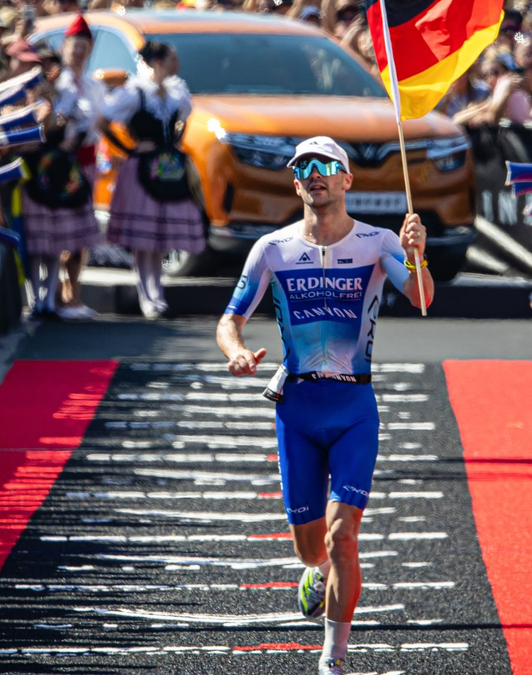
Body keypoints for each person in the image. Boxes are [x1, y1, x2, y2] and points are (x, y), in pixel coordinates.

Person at [216, 136, 432, 675]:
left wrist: (416, 256)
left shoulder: (379, 241)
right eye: (303, 168)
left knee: (344, 536)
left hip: (354, 405)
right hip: (297, 409)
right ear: (295, 184)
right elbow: (230, 319)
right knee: (312, 547)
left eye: (326, 166)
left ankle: (333, 659)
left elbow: (423, 298)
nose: (315, 174)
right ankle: (312, 573)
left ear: (346, 180)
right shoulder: (273, 247)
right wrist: (237, 352)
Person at [100, 41, 202, 319]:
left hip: (166, 166)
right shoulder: (135, 92)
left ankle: (156, 291)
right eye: (172, 59)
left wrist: (175, 141)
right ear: (157, 62)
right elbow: (103, 119)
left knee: (160, 233)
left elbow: (182, 120)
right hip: (142, 167)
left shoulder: (176, 91)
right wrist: (128, 149)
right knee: (144, 236)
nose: (177, 65)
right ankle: (147, 293)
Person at [20, 14, 104, 320]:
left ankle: (68, 297)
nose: (78, 52)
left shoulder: (89, 86)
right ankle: (46, 298)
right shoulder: (53, 87)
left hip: (75, 167)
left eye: (84, 45)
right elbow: (50, 125)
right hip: (44, 167)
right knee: (43, 238)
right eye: (73, 45)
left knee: (68, 238)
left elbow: (92, 124)